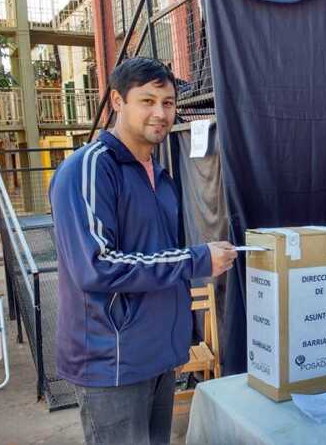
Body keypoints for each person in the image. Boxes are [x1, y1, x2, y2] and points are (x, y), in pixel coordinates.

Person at [49, 57, 238, 445]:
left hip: (158, 356)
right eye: (147, 101)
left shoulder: (160, 175)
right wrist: (197, 258)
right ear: (118, 101)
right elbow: (97, 265)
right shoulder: (88, 169)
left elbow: (155, 256)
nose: (161, 114)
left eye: (168, 103)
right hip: (112, 361)